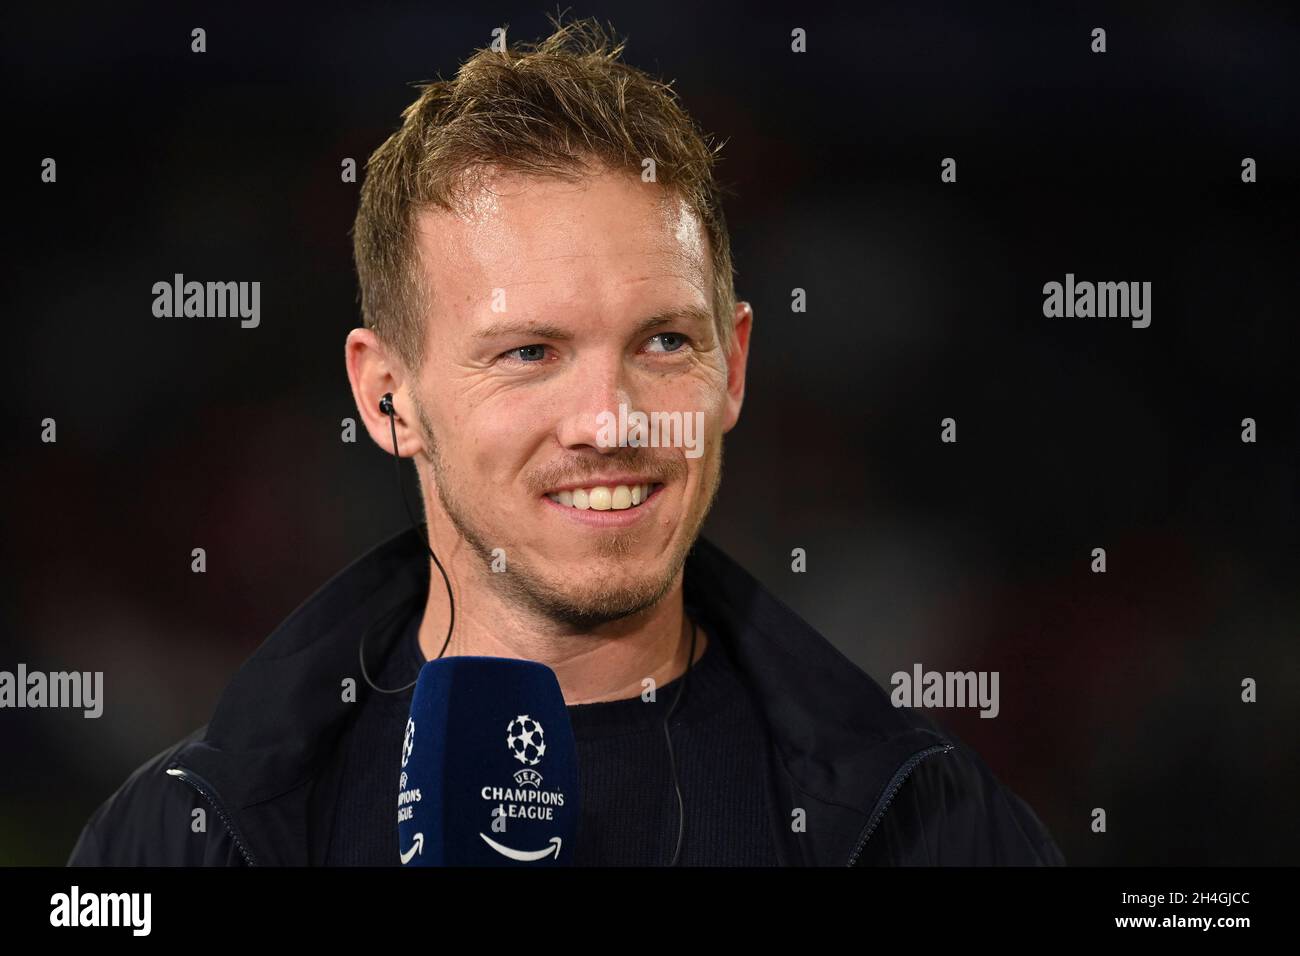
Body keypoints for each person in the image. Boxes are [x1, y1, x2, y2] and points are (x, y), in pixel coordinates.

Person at [68, 16, 1064, 867]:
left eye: (665, 341)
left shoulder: (930, 825)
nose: (609, 420)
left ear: (735, 366)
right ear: (385, 397)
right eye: (529, 351)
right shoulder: (187, 834)